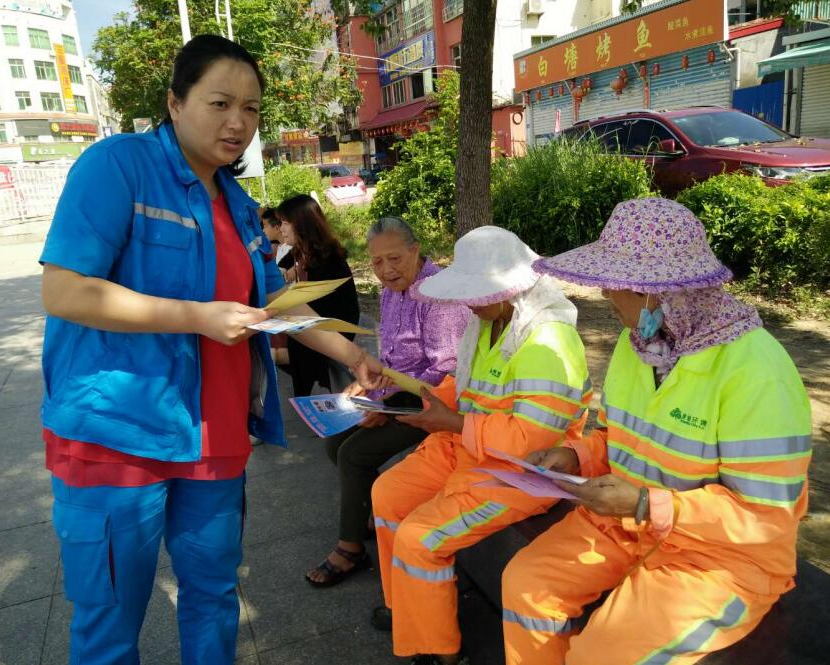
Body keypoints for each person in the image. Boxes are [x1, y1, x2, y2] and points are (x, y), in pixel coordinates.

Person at [39, 35, 382, 665]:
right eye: (220, 102)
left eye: (251, 109)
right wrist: (195, 317)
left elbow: (278, 305)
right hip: (116, 434)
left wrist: (352, 354)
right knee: (109, 619)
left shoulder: (242, 206)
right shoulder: (117, 167)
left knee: (214, 595)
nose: (238, 122)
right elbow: (64, 290)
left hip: (213, 435)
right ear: (175, 101)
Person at [501, 198, 812, 665]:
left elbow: (766, 517)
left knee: (601, 655)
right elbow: (617, 436)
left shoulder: (757, 371)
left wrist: (647, 502)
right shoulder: (641, 346)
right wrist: (577, 457)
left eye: (615, 283)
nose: (606, 294)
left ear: (659, 293)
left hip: (719, 559)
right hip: (624, 522)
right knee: (526, 586)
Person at [370, 226, 592, 665]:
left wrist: (450, 420)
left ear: (513, 290)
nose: (469, 301)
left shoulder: (546, 340)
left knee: (419, 537)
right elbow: (465, 387)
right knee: (387, 495)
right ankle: (410, 608)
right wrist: (415, 399)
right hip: (470, 446)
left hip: (523, 473)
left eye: (477, 292)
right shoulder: (488, 322)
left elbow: (534, 441)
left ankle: (438, 649)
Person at [305, 216, 470, 588]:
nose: (385, 270)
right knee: (335, 442)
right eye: (377, 262)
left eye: (394, 259)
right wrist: (369, 390)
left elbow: (445, 372)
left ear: (415, 250)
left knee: (354, 454)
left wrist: (386, 402)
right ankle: (368, 512)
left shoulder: (438, 294)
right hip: (395, 393)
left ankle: (350, 550)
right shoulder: (392, 290)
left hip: (433, 401)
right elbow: (392, 359)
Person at [277, 194, 361, 396]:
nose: (281, 229)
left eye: (285, 222)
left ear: (302, 224)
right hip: (311, 344)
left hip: (326, 348)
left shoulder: (328, 261)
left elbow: (325, 315)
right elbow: (278, 269)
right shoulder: (302, 252)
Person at [260, 206, 292, 365]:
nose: (262, 230)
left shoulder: (291, 250)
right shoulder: (279, 248)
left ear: (276, 227)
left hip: (288, 310)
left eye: (265, 225)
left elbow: (284, 277)